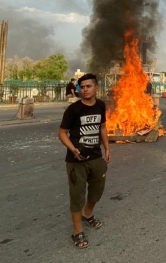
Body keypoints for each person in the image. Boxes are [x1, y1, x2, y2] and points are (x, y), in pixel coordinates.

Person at [58, 73, 111, 249]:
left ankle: (87, 214)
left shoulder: (101, 106)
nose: (85, 89)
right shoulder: (73, 110)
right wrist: (72, 149)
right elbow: (62, 133)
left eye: (89, 86)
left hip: (96, 157)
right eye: (83, 87)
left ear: (96, 88)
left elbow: (102, 127)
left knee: (97, 190)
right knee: (77, 195)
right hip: (76, 160)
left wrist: (107, 148)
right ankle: (77, 231)